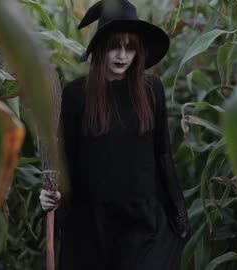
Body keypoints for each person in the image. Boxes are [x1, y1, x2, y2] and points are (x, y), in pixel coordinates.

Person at [39, 0, 190, 269]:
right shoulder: (76, 95)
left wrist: (178, 212)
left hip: (144, 225)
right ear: (100, 48)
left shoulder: (152, 90)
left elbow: (163, 154)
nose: (122, 56)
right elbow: (67, 162)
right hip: (92, 228)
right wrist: (52, 196)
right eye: (114, 46)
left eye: (130, 48)